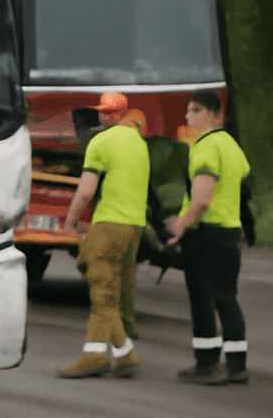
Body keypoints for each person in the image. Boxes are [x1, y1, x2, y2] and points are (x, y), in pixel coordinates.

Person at [59, 91, 150, 378]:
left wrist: (70, 221)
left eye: (103, 111)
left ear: (109, 114)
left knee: (102, 294)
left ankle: (95, 356)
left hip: (109, 223)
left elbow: (86, 190)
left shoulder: (101, 141)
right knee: (111, 291)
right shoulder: (139, 143)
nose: (100, 115)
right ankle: (124, 354)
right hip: (134, 226)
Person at [165, 90, 251, 385]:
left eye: (195, 110)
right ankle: (237, 366)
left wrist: (180, 227)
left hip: (206, 234)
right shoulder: (231, 145)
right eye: (188, 110)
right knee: (227, 299)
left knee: (202, 300)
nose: (188, 116)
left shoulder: (205, 147)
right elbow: (240, 175)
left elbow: (201, 200)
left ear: (213, 115)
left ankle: (207, 364)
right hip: (229, 232)